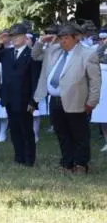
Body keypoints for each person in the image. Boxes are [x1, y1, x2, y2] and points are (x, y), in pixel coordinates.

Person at [33, 24, 100, 173]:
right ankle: (67, 163)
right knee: (62, 133)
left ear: (76, 38)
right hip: (55, 100)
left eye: (66, 38)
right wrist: (41, 41)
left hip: (77, 99)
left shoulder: (87, 54)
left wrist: (92, 101)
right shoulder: (54, 50)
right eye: (61, 38)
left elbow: (95, 80)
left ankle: (81, 164)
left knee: (79, 134)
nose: (63, 41)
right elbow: (35, 55)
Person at [0, 23, 40, 166]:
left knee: (26, 129)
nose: (14, 39)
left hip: (25, 98)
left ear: (25, 37)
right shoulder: (7, 52)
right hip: (9, 97)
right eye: (12, 36)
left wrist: (33, 100)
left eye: (17, 36)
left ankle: (29, 159)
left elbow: (35, 79)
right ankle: (19, 157)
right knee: (14, 130)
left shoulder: (31, 54)